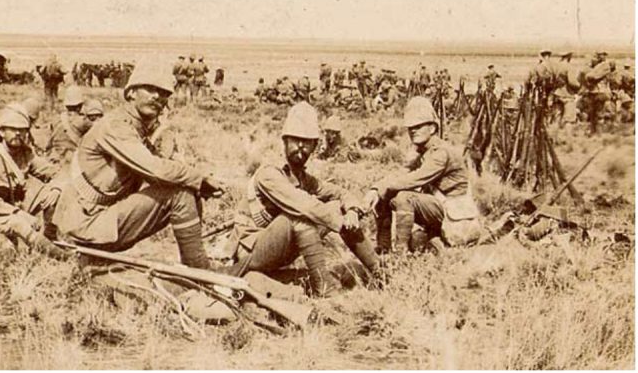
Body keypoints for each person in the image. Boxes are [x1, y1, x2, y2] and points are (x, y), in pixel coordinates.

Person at [51, 64, 226, 269]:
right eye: (151, 89)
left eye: (164, 94)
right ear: (131, 92)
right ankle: (201, 272)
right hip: (84, 228)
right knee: (180, 192)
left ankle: (196, 263)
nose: (157, 97)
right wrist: (199, 178)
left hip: (93, 222)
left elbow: (161, 172)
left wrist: (196, 183)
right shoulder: (116, 126)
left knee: (186, 186)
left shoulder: (136, 129)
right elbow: (156, 169)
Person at [228, 102, 380, 297]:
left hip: (279, 249)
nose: (300, 146)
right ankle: (324, 289)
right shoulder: (269, 174)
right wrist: (342, 224)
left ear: (315, 146)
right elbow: (304, 205)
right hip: (252, 251)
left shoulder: (303, 178)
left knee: (334, 206)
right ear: (285, 141)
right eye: (295, 140)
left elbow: (340, 192)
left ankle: (379, 271)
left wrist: (351, 210)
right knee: (301, 216)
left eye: (307, 142)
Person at [365, 97, 482, 254]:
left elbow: (414, 179)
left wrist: (382, 188)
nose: (413, 130)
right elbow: (401, 173)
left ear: (432, 128)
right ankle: (383, 249)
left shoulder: (441, 152)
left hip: (454, 211)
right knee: (385, 194)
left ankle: (401, 254)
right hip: (439, 207)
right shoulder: (422, 151)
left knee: (404, 197)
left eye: (419, 126)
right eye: (411, 127)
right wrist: (376, 189)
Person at [0, 107, 62, 257]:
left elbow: (55, 172)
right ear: (2, 132)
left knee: (55, 194)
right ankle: (61, 257)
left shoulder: (25, 154)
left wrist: (56, 189)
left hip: (13, 209)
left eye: (22, 130)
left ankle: (50, 238)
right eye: (12, 129)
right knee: (13, 238)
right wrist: (19, 214)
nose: (18, 133)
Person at [46, 86, 88, 165]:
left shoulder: (55, 119)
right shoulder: (83, 121)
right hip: (74, 161)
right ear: (80, 106)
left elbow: (49, 143)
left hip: (56, 159)